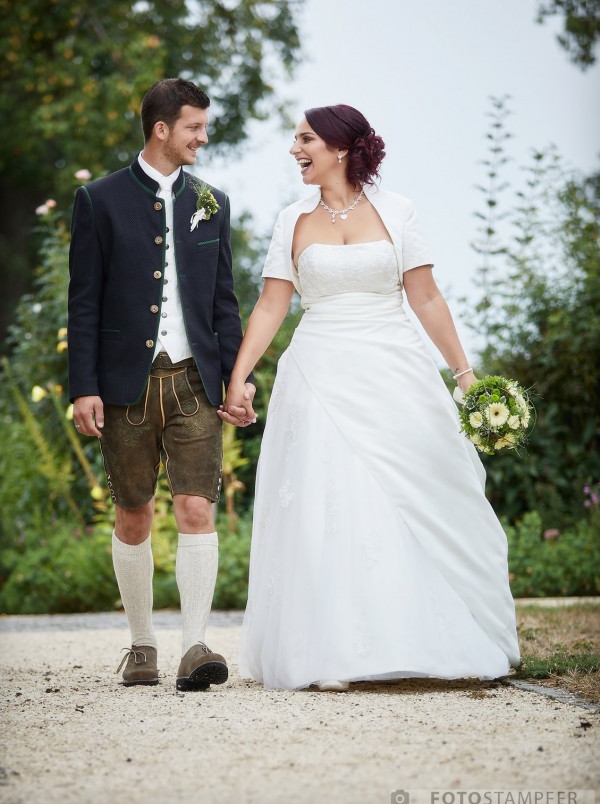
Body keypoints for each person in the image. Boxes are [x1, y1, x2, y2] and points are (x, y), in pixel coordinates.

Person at [218, 103, 520, 691]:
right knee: (328, 498)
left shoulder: (399, 210)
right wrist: (238, 377)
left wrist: (466, 378)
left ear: (339, 147)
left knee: (420, 488)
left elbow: (426, 297)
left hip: (395, 367)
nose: (293, 149)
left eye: (304, 139)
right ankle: (333, 648)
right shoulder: (292, 219)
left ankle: (430, 634)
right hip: (319, 372)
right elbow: (273, 304)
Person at [68, 77, 255, 690]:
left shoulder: (214, 202)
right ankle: (142, 644)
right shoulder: (98, 200)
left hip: (195, 381)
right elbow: (84, 302)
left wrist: (236, 380)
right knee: (133, 516)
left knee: (197, 507)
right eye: (195, 126)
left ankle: (195, 646)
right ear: (162, 129)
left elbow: (223, 304)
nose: (204, 136)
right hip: (124, 384)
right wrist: (83, 385)